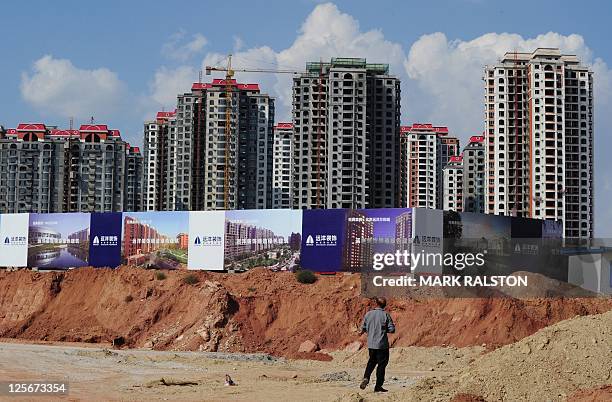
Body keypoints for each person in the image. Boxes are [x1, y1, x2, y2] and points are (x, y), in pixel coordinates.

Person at [358, 297, 395, 392]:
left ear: (376, 303)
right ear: (384, 305)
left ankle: (366, 377)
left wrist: (370, 330)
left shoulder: (368, 314)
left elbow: (362, 329)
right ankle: (378, 386)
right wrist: (383, 329)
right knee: (382, 365)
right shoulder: (385, 315)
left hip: (371, 344)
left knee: (371, 362)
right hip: (382, 345)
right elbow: (392, 330)